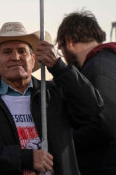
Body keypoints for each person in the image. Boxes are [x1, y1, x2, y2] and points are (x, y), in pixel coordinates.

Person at [0, 22, 103, 175]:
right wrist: (25, 158)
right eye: (7, 52)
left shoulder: (55, 93)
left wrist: (58, 66)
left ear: (33, 59)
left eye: (22, 51)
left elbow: (93, 109)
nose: (15, 57)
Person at [39, 10, 116, 174]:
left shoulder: (98, 67)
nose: (63, 56)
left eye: (61, 48)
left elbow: (105, 124)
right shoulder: (109, 61)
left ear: (70, 41)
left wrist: (62, 142)